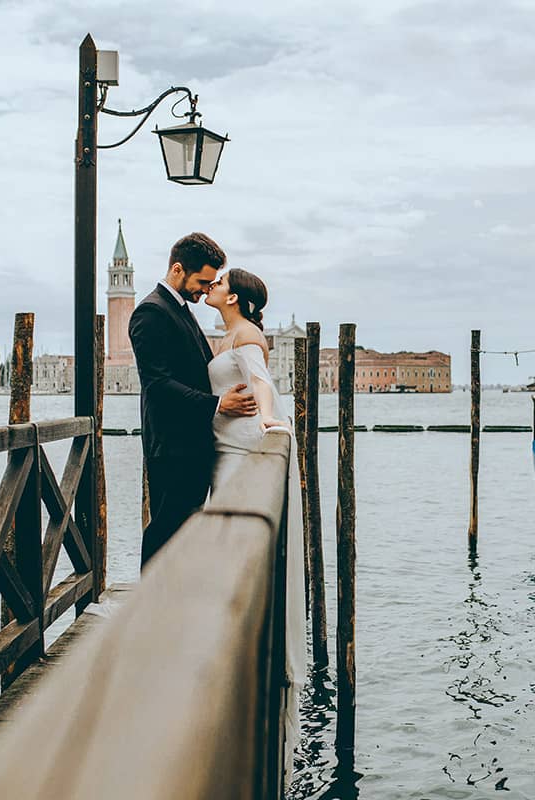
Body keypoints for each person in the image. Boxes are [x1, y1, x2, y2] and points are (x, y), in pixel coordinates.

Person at [203, 265, 306, 782]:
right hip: (221, 448)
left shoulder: (247, 335)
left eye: (218, 283)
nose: (211, 288)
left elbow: (261, 382)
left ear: (236, 298)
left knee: (232, 531)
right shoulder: (222, 333)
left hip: (242, 448)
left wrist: (268, 419)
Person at [128, 232, 258, 569]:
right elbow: (157, 384)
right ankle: (151, 611)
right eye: (202, 281)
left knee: (184, 535)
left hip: (190, 445)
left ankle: (171, 609)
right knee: (166, 533)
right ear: (177, 270)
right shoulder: (151, 313)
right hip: (172, 446)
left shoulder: (180, 309)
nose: (206, 288)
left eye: (212, 282)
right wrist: (216, 405)